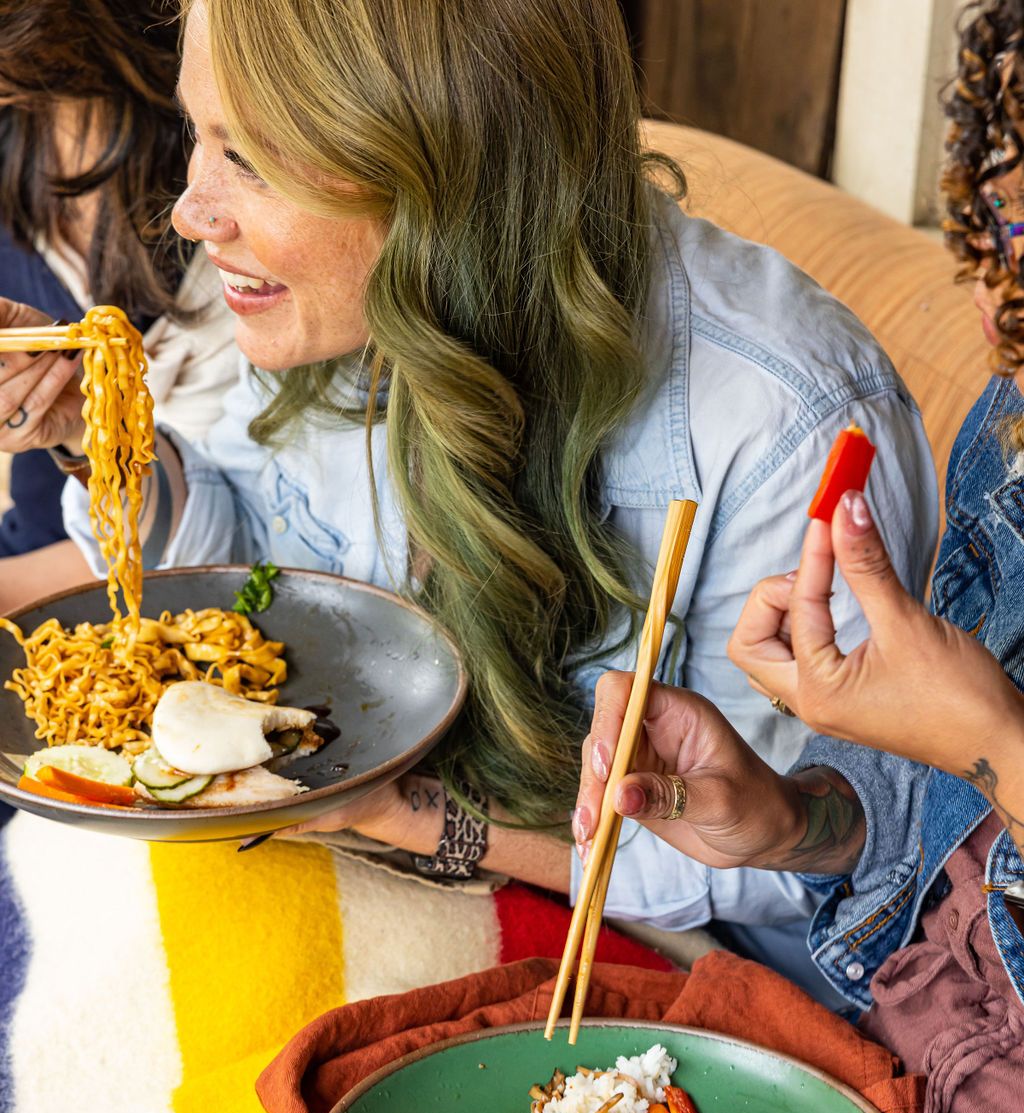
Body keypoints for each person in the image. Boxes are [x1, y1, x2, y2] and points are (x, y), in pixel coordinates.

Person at [0, 0, 936, 1002]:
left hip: (678, 982)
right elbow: (260, 584)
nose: (191, 211)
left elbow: (817, 863)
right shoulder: (307, 298)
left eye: (253, 161)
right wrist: (94, 448)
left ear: (445, 167)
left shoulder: (784, 421)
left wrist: (416, 820)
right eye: (201, 136)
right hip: (373, 867)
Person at [572, 0, 1024, 1113]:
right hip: (875, 1098)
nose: (991, 302)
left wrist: (990, 737)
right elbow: (923, 888)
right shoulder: (1016, 421)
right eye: (984, 227)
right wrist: (788, 816)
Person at [0, 0, 238, 612]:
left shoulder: (222, 209)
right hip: (34, 547)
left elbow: (226, 545)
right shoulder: (19, 135)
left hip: (145, 600)